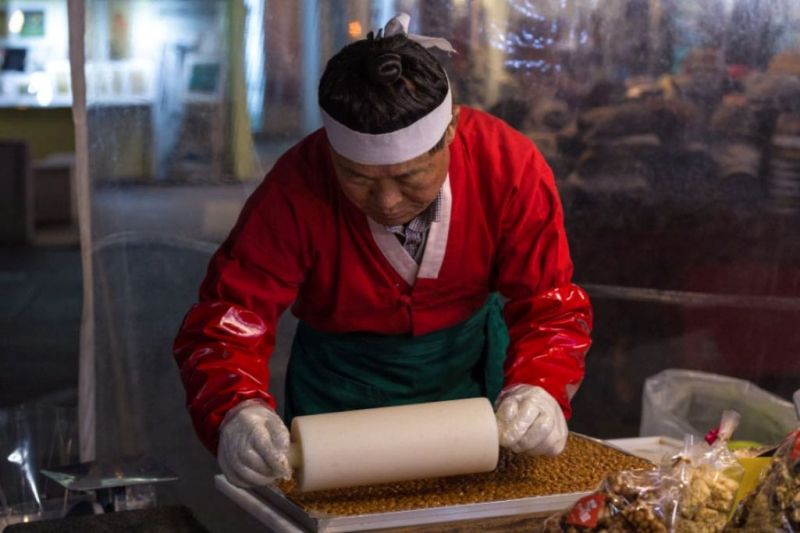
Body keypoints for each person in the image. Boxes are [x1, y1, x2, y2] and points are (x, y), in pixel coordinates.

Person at [173, 14, 592, 489]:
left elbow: (548, 305)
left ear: (451, 130)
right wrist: (235, 409)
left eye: (411, 178)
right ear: (331, 153)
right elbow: (229, 316)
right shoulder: (295, 187)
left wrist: (541, 386)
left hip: (472, 394)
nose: (387, 202)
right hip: (338, 401)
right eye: (358, 178)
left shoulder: (507, 166)